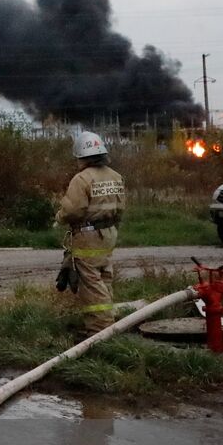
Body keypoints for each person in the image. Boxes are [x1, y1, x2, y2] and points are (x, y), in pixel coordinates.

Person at [57, 131, 127, 336]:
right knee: (104, 276)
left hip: (88, 237)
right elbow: (121, 207)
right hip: (109, 233)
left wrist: (60, 217)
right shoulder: (115, 176)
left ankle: (99, 330)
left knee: (91, 282)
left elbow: (73, 210)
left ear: (81, 156)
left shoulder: (82, 179)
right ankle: (108, 322)